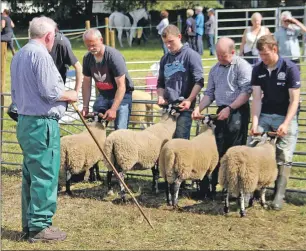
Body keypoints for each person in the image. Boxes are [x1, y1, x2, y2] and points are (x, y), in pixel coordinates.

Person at [10, 16, 78, 242]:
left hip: (26, 121)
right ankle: (40, 227)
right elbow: (51, 91)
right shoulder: (41, 55)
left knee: (31, 174)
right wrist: (71, 95)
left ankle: (30, 224)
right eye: (54, 36)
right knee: (45, 175)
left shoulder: (19, 54)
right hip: (42, 125)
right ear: (49, 36)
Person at [192, 37, 252, 198]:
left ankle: (233, 189)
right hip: (221, 110)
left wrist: (230, 108)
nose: (219, 58)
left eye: (223, 55)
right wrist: (198, 107)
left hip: (237, 110)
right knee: (216, 149)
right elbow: (209, 93)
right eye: (217, 54)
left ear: (233, 52)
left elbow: (246, 92)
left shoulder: (242, 67)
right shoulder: (215, 69)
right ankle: (212, 187)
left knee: (234, 149)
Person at [250, 35, 300, 210]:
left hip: (286, 114)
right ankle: (254, 191)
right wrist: (254, 122)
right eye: (261, 55)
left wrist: (286, 123)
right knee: (253, 147)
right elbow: (256, 98)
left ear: (274, 49)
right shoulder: (258, 69)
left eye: (266, 54)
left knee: (284, 155)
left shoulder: (290, 68)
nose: (263, 58)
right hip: (265, 114)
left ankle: (279, 195)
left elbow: (294, 100)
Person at [7, 29, 82, 122]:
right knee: (15, 111)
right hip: (35, 89)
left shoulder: (61, 43)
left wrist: (75, 93)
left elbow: (78, 67)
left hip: (51, 89)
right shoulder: (34, 46)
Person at [157, 24, 204, 141]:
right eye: (165, 43)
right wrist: (161, 96)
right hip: (168, 107)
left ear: (179, 36)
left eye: (170, 41)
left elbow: (199, 81)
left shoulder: (191, 56)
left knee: (180, 141)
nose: (168, 45)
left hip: (184, 107)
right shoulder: (165, 59)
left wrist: (189, 100)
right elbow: (161, 82)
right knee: (164, 140)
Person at [81, 28, 133, 129]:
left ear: (101, 40)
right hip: (104, 94)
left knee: (120, 129)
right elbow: (86, 83)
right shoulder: (87, 58)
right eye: (88, 46)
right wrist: (85, 106)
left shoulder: (113, 57)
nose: (91, 48)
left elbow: (121, 86)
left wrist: (113, 109)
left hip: (121, 95)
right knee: (95, 125)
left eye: (93, 45)